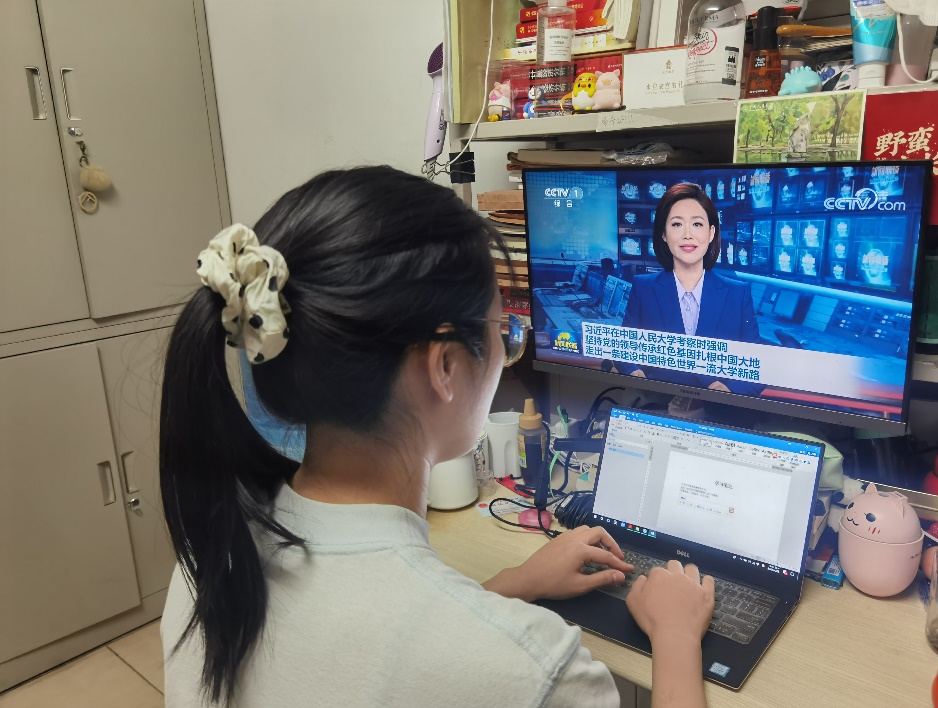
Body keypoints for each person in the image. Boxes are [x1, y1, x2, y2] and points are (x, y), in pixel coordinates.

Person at [159, 167, 715, 707]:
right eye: (504, 330)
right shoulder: (536, 671)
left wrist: (512, 583)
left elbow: (372, 659)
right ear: (444, 366)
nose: (506, 349)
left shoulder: (208, 567)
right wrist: (675, 636)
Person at [619, 183, 763, 396]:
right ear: (664, 234)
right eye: (677, 224)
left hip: (718, 409)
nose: (688, 234)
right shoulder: (644, 288)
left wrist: (730, 390)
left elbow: (757, 364)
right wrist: (632, 371)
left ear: (711, 232)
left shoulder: (737, 293)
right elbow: (623, 350)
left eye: (697, 224)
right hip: (656, 405)